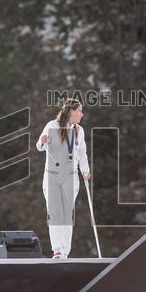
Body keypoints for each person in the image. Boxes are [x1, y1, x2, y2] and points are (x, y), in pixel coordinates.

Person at [36, 98, 91, 259]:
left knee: (67, 214)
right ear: (72, 111)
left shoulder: (79, 130)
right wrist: (43, 141)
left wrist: (85, 170)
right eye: (80, 110)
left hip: (71, 176)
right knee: (55, 213)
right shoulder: (52, 125)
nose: (82, 114)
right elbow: (39, 146)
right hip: (52, 175)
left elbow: (82, 153)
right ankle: (57, 250)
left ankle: (65, 251)